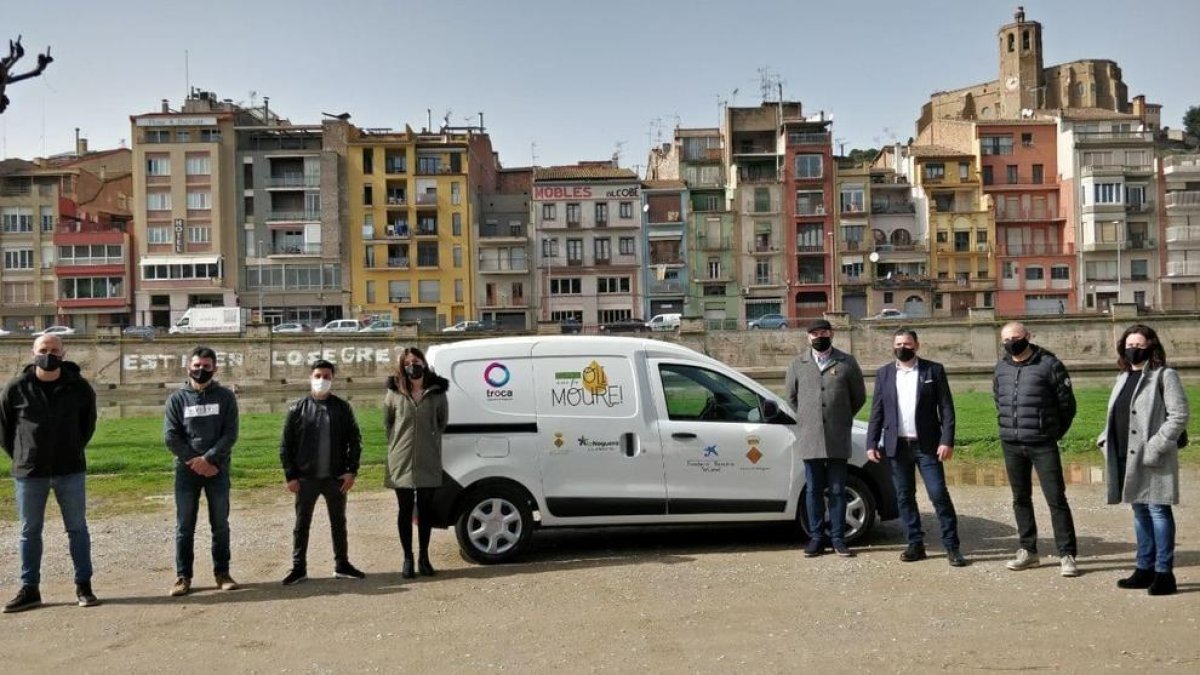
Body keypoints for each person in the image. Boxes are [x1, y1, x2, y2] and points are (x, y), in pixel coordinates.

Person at [0, 334, 98, 612]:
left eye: (54, 350)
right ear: (33, 353)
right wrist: (23, 455)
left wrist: (71, 449)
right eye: (43, 349)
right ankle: (30, 589)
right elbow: (5, 430)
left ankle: (84, 585)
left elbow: (87, 425)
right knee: (29, 531)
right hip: (30, 473)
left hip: (70, 470)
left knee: (77, 529)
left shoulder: (79, 388)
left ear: (63, 353)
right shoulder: (16, 388)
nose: (49, 354)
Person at [1098, 324, 1189, 596]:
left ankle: (1164, 573)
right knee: (1138, 511)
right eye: (1129, 345)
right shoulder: (1122, 378)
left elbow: (1179, 415)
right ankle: (1143, 567)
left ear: (1151, 346)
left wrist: (1157, 446)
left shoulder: (1165, 376)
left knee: (1158, 510)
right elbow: (1117, 414)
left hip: (1153, 457)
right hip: (1125, 454)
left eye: (1138, 345)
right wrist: (1104, 438)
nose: (1133, 350)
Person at [866, 329, 966, 567]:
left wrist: (947, 440)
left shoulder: (933, 370)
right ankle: (915, 544)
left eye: (907, 343)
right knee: (904, 497)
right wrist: (871, 443)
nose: (903, 347)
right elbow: (876, 411)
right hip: (897, 446)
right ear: (893, 347)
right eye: (899, 343)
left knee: (938, 494)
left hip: (928, 445)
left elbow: (947, 409)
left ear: (917, 345)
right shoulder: (884, 374)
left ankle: (952, 546)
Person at [993, 322, 1079, 577]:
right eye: (1006, 340)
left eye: (1015, 338)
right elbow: (999, 399)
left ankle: (1067, 554)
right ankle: (1028, 551)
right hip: (1011, 442)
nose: (1011, 343)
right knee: (1020, 499)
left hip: (1042, 443)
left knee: (1056, 499)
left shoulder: (1049, 365)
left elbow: (1067, 406)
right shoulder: (1001, 367)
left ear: (1028, 337)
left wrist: (1052, 432)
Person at [279, 360, 366, 585]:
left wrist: (351, 471)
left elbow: (355, 441)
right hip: (305, 478)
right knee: (301, 524)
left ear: (333, 379)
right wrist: (290, 475)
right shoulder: (297, 408)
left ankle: (342, 564)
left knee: (339, 522)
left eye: (327, 376)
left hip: (335, 478)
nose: (322, 380)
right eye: (318, 375)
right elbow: (285, 445)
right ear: (310, 377)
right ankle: (299, 568)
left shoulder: (342, 408)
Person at [785, 319, 866, 558]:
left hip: (837, 436)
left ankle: (839, 538)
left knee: (839, 489)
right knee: (813, 490)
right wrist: (810, 418)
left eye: (823, 332)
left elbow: (858, 397)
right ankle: (817, 537)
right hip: (810, 437)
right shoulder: (797, 364)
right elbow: (791, 398)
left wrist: (839, 417)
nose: (819, 336)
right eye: (814, 333)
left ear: (831, 334)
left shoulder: (847, 362)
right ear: (807, 337)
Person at [164, 346, 240, 597]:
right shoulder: (177, 399)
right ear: (189, 367)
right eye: (196, 365)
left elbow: (230, 434)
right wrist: (194, 461)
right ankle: (183, 577)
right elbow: (171, 437)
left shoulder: (226, 397)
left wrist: (209, 459)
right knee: (184, 526)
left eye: (206, 366)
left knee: (220, 524)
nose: (200, 370)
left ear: (215, 368)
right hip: (186, 472)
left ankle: (222, 573)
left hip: (217, 469)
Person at [384, 347, 449, 578]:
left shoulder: (437, 392)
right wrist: (400, 445)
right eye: (409, 362)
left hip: (428, 458)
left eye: (417, 360)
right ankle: (407, 558)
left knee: (425, 510)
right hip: (401, 459)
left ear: (423, 362)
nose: (414, 365)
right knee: (404, 510)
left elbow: (442, 423)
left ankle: (424, 556)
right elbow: (389, 424)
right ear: (403, 366)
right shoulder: (394, 393)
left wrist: (428, 441)